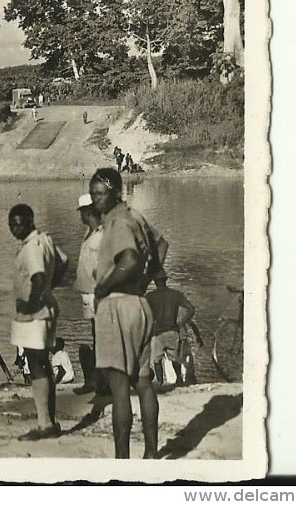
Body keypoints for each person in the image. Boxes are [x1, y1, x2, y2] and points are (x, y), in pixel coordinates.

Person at [90, 166, 167, 459]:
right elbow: (161, 244)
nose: (96, 199)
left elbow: (130, 259)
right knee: (143, 381)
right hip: (140, 304)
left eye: (101, 193)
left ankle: (122, 462)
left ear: (115, 192)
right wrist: (147, 280)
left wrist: (103, 286)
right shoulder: (135, 216)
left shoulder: (119, 222)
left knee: (120, 387)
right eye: (93, 193)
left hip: (117, 305)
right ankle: (150, 454)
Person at [9, 203, 68, 441]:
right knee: (41, 363)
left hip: (35, 313)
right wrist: (50, 289)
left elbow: (39, 277)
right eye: (12, 224)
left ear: (30, 222)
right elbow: (63, 263)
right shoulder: (45, 239)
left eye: (19, 224)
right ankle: (48, 421)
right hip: (45, 308)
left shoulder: (32, 247)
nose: (15, 228)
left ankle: (45, 424)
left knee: (37, 365)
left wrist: (33, 302)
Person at [73, 193, 105, 394]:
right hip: (89, 295)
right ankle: (98, 380)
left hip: (98, 294)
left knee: (101, 336)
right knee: (96, 335)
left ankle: (102, 381)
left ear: (87, 212)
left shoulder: (101, 234)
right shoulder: (90, 233)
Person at [145, 270, 197, 385]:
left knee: (157, 361)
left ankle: (159, 382)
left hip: (157, 332)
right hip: (172, 330)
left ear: (155, 281)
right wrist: (182, 322)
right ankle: (179, 380)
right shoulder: (175, 295)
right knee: (175, 359)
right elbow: (191, 309)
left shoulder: (150, 297)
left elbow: (142, 313)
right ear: (166, 280)